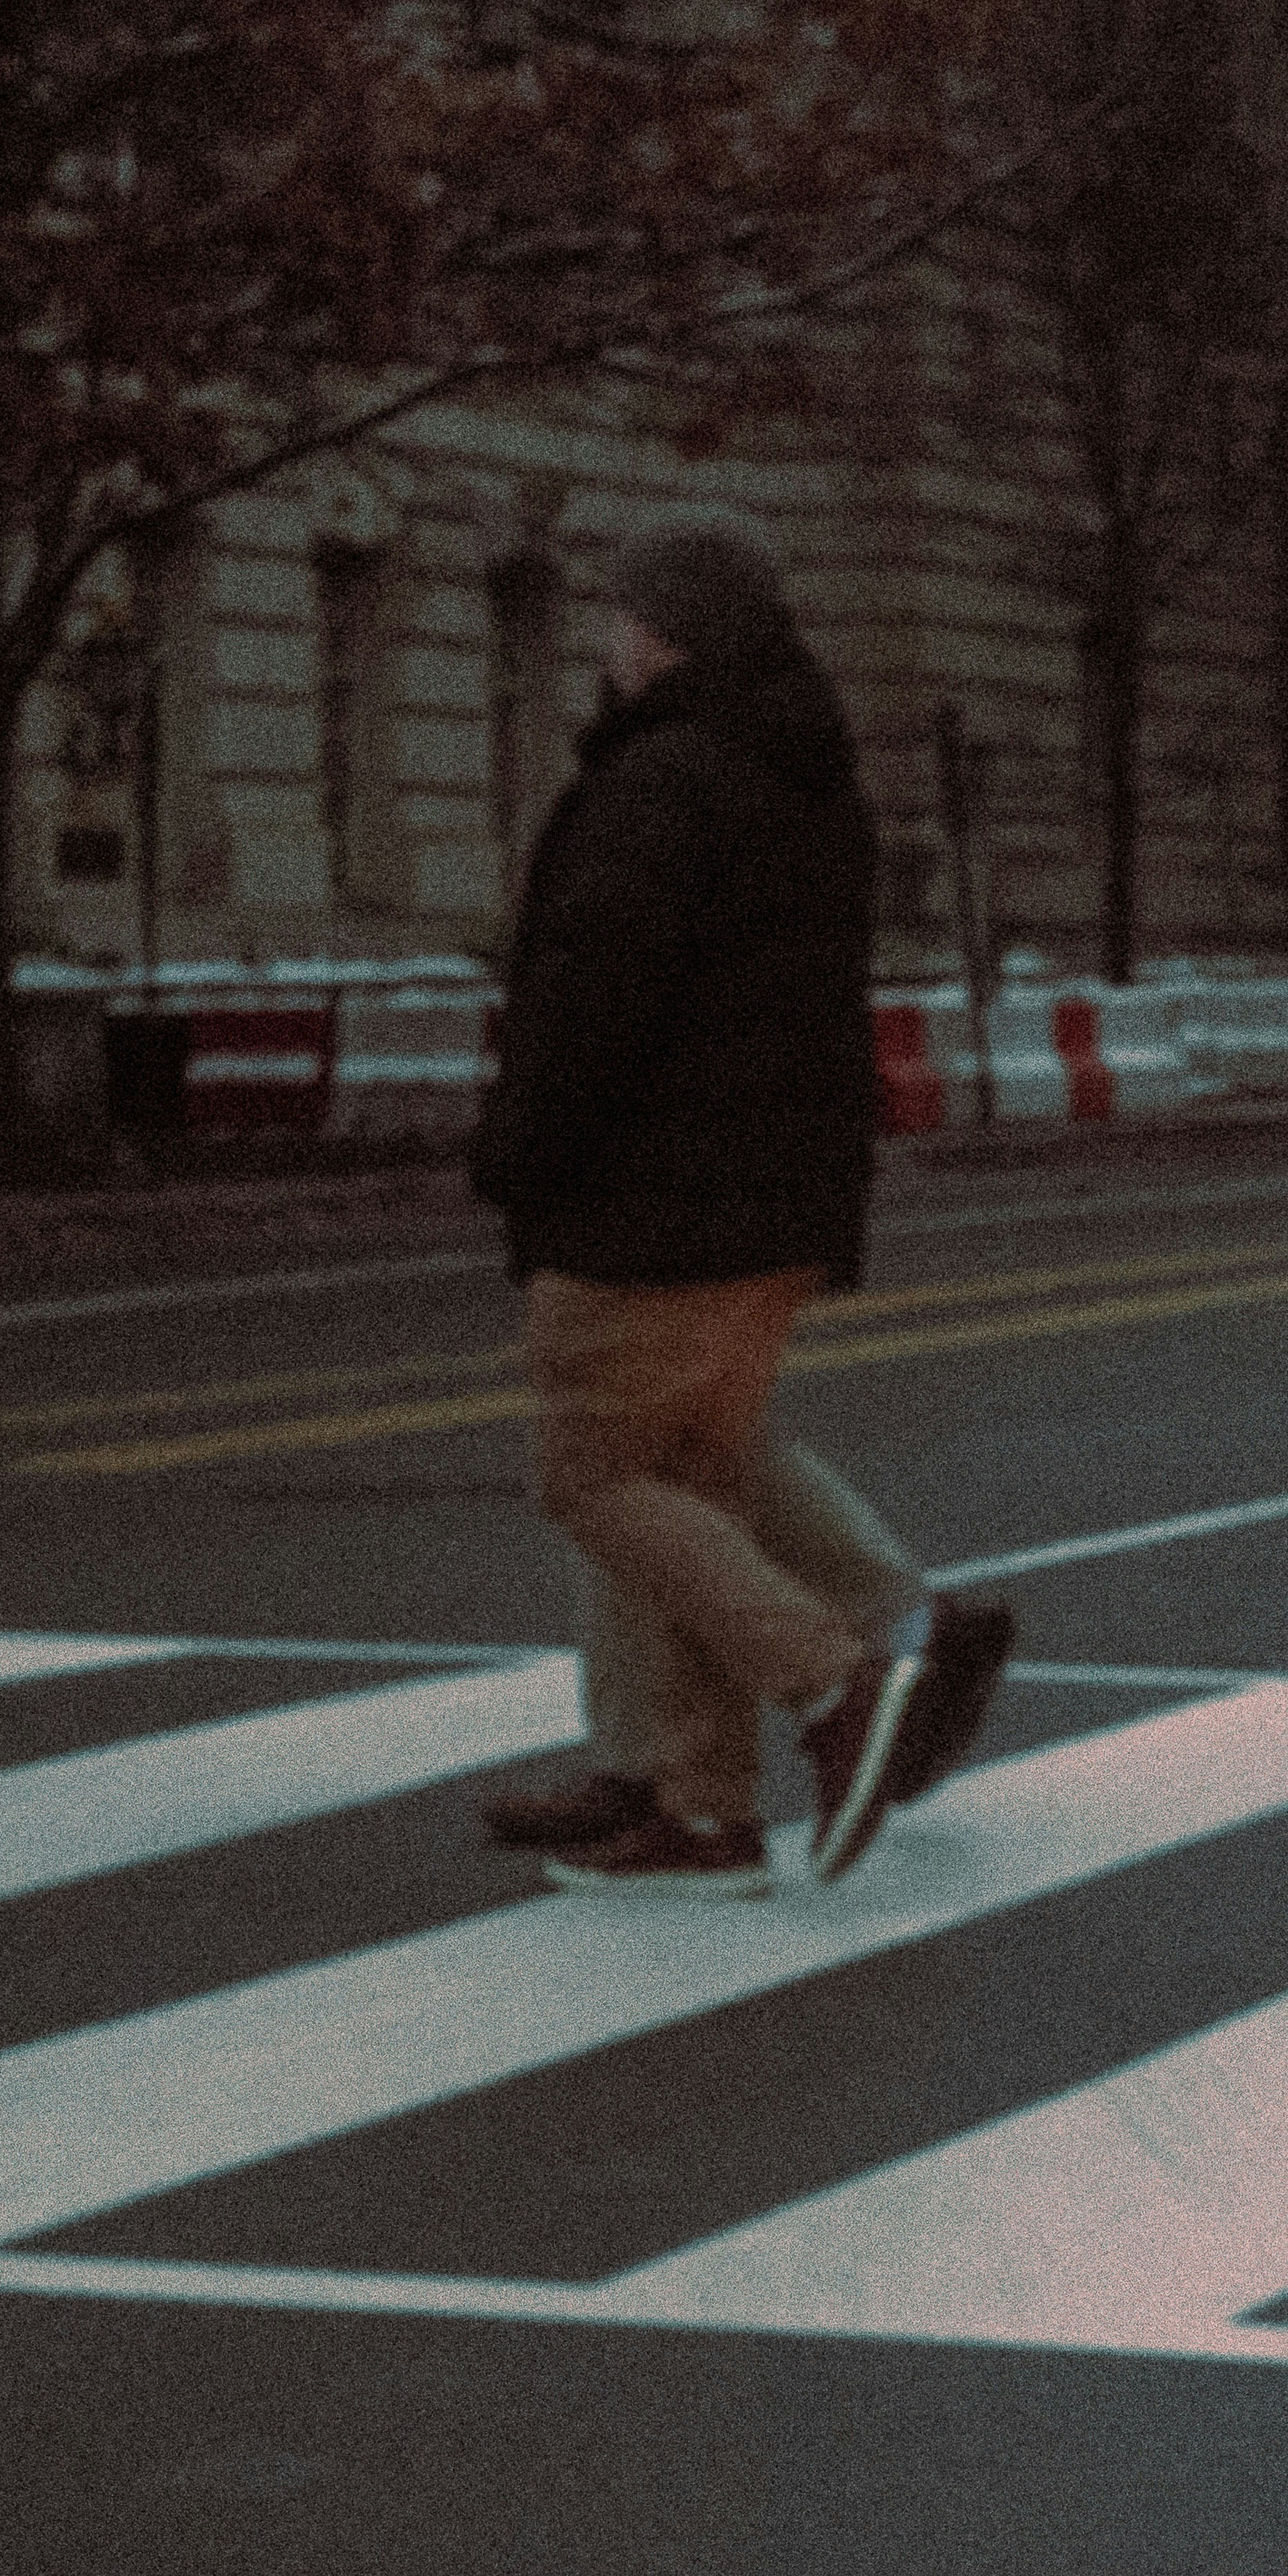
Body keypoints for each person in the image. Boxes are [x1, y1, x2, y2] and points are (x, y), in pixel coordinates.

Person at [458, 519, 1012, 1896]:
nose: (604, 639)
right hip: (769, 1202)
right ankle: (697, 1815)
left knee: (593, 1477)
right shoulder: (803, 780)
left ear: (664, 632)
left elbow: (592, 1001)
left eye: (619, 617)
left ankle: (832, 1691)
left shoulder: (661, 782)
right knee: (692, 1477)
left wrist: (517, 1151)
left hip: (652, 1201)